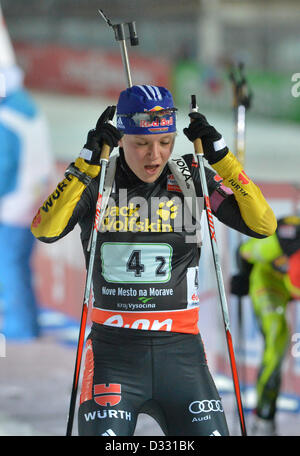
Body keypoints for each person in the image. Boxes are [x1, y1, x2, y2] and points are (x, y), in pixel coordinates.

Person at [31, 84, 276, 436]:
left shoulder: (191, 176)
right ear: (121, 139)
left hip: (182, 357)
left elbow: (263, 224)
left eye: (165, 142)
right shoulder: (100, 179)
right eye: (141, 144)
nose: (155, 156)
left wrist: (222, 159)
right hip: (112, 358)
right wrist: (85, 164)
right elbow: (45, 229)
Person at [0, 5, 54, 340]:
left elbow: (5, 166)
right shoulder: (23, 105)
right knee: (17, 267)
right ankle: (26, 326)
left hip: (15, 204)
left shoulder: (9, 116)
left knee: (10, 268)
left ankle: (21, 331)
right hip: (32, 197)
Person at [231, 215, 300, 436]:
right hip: (268, 284)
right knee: (277, 335)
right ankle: (263, 416)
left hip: (288, 285)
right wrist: (243, 275)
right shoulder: (279, 241)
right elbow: (244, 251)